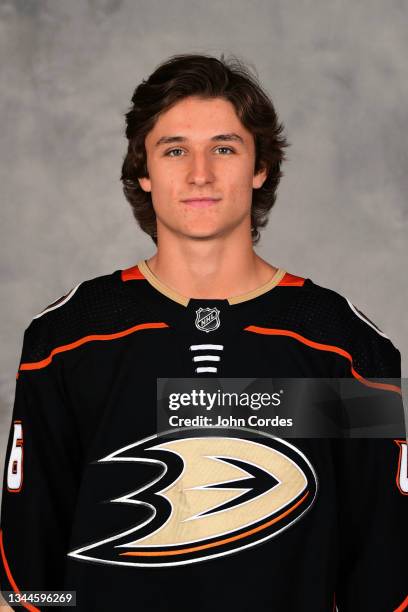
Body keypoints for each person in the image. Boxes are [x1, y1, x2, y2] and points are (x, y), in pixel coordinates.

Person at [0, 53, 407, 612]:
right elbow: (26, 574)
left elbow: (383, 570)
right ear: (143, 170)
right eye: (174, 150)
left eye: (224, 147)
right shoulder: (66, 340)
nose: (200, 174)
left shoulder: (345, 347)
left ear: (260, 167)